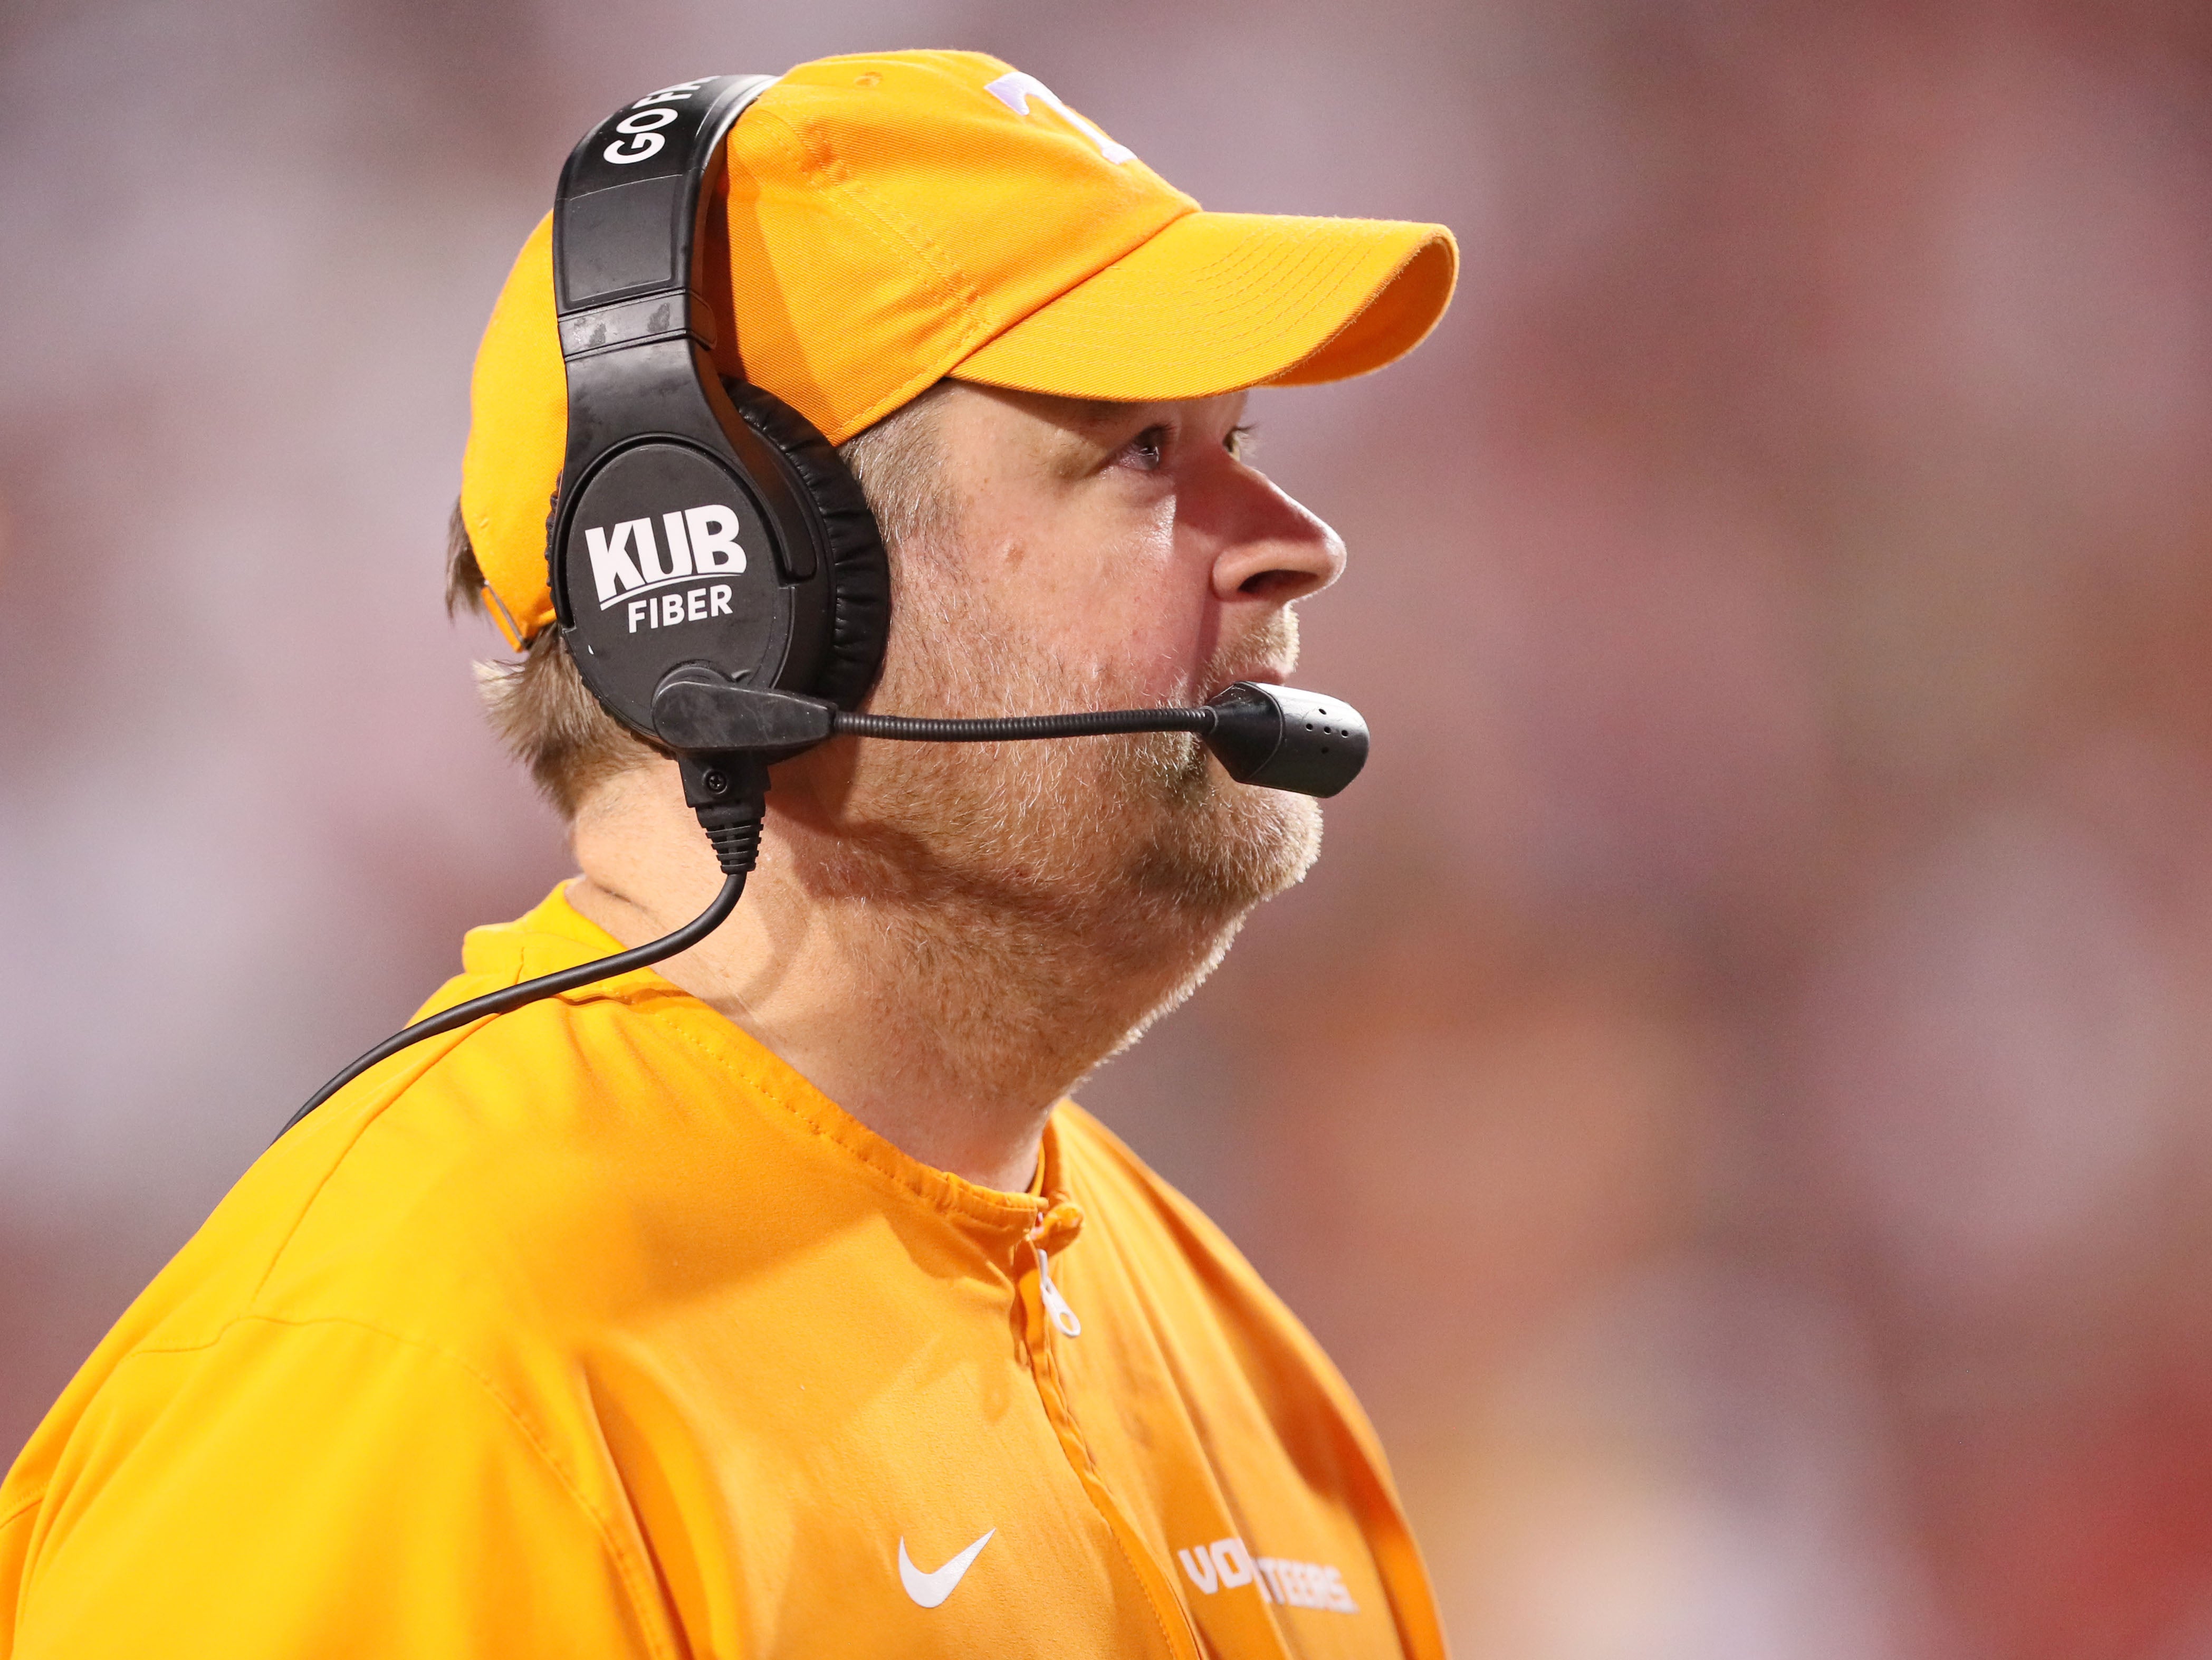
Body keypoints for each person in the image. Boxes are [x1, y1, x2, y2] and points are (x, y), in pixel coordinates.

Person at [0, 47, 1457, 1659]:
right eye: (1141, 452)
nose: (1297, 536)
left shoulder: (1249, 1375)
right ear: (736, 589)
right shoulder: (421, 1388)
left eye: (1234, 434)